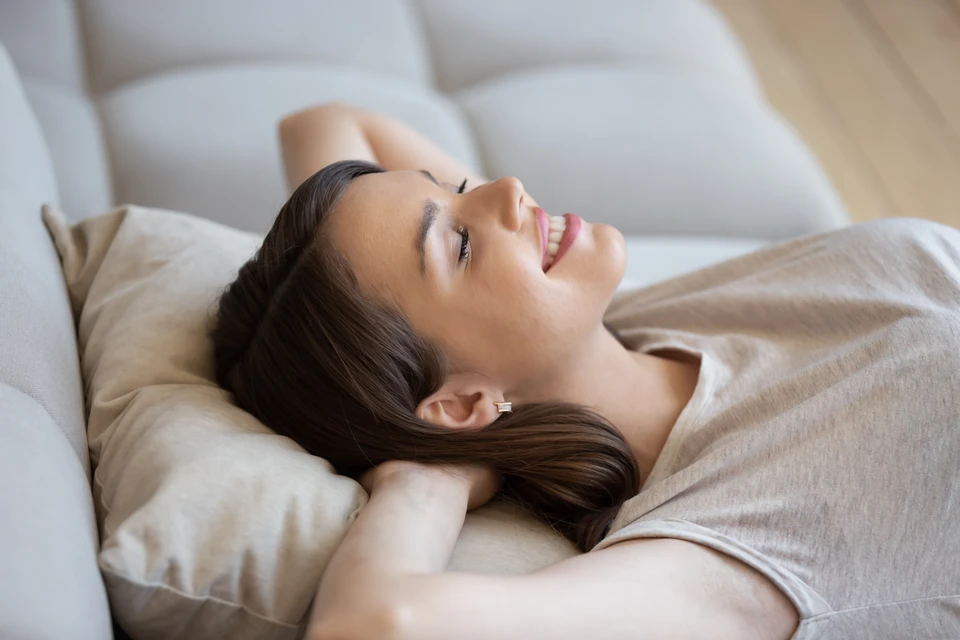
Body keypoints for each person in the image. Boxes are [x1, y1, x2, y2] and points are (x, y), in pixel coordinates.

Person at [210, 102, 960, 640]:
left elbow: (322, 121)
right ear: (463, 400)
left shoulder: (634, 319)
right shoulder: (742, 536)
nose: (508, 191)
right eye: (462, 245)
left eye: (458, 192)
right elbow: (372, 625)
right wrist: (425, 477)